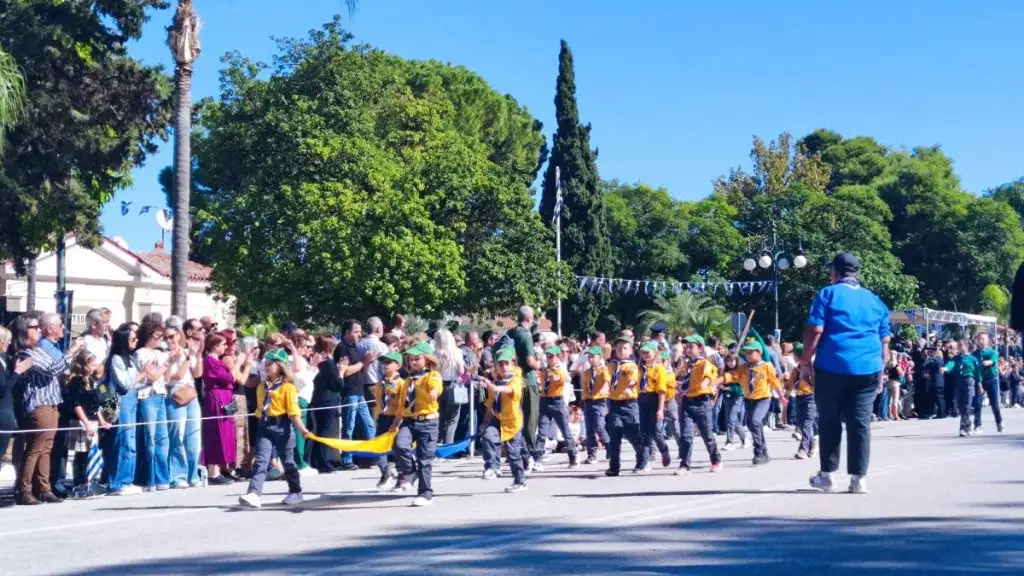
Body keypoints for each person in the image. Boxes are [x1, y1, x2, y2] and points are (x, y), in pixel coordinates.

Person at [802, 252, 891, 495]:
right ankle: (858, 479)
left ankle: (827, 476)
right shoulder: (875, 300)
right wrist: (881, 373)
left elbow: (816, 330)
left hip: (832, 366)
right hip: (868, 369)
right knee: (860, 423)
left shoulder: (827, 294)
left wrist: (804, 364)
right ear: (856, 273)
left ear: (836, 272)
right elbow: (885, 344)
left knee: (830, 421)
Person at [13, 312, 83, 505]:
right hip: (39, 405)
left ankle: (43, 488)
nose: (38, 331)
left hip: (52, 403)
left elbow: (57, 365)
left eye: (38, 327)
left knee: (46, 448)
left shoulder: (39, 349)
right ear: (24, 331)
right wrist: (73, 350)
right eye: (34, 328)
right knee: (35, 448)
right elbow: (53, 368)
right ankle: (24, 489)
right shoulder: (26, 353)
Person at [238, 348, 309, 509]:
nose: (266, 366)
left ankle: (296, 491)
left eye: (270, 364)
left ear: (280, 366)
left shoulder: (288, 387)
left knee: (288, 461)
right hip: (265, 425)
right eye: (265, 363)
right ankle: (254, 493)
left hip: (282, 425)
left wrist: (302, 429)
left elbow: (293, 412)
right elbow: (259, 409)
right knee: (261, 461)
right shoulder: (262, 387)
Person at [392, 341, 442, 507]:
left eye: (417, 359)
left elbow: (435, 390)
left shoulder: (432, 376)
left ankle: (425, 493)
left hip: (428, 421)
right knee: (400, 444)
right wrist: (395, 424)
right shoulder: (408, 381)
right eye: (410, 359)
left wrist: (433, 393)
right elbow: (402, 404)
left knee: (425, 459)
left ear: (426, 360)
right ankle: (410, 472)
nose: (413, 362)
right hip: (409, 420)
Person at [202, 333, 255, 485]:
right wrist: (238, 363)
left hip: (226, 396)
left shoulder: (217, 361)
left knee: (226, 433)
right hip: (217, 398)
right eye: (223, 344)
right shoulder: (209, 360)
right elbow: (228, 378)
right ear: (214, 345)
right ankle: (213, 471)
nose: (226, 347)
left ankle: (221, 468)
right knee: (216, 433)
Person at [480, 347, 528, 492]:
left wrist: (496, 388)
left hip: (512, 421)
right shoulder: (494, 382)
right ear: (496, 365)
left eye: (507, 363)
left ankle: (520, 481)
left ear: (512, 364)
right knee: (488, 436)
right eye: (500, 364)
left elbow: (510, 390)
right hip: (497, 418)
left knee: (513, 454)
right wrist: (486, 420)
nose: (504, 367)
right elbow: (490, 403)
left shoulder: (515, 380)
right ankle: (492, 467)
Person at [134, 313, 172, 491]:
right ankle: (148, 479)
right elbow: (151, 377)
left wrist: (170, 363)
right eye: (157, 335)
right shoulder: (140, 353)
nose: (160, 339)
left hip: (161, 395)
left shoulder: (159, 353)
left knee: (163, 439)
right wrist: (166, 364)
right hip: (147, 397)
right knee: (150, 439)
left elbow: (167, 378)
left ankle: (162, 478)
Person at [676, 335, 723, 475]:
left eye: (692, 347)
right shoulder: (686, 364)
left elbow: (708, 376)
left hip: (701, 402)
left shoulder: (704, 364)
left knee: (707, 435)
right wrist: (677, 386)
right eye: (687, 347)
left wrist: (705, 383)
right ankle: (685, 464)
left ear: (700, 348)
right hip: (687, 402)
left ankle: (716, 460)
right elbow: (679, 378)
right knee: (686, 435)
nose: (688, 349)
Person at [335, 320, 377, 471]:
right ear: (347, 332)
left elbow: (361, 370)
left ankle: (375, 455)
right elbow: (345, 371)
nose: (359, 334)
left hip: (359, 391)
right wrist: (363, 362)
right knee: (349, 427)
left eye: (360, 331)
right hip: (349, 392)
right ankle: (346, 459)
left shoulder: (355, 347)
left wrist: (368, 362)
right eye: (356, 331)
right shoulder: (341, 348)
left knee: (369, 424)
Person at [164, 324, 202, 489]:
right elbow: (176, 375)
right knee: (177, 437)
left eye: (171, 336)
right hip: (175, 397)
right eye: (165, 337)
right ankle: (178, 475)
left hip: (191, 395)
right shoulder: (165, 355)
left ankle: (193, 475)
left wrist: (197, 354)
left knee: (193, 437)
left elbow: (198, 374)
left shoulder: (187, 352)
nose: (169, 340)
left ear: (179, 335)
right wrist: (187, 359)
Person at [68, 351, 110, 498]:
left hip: (93, 421)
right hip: (81, 421)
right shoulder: (76, 382)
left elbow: (95, 404)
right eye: (91, 365)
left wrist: (101, 420)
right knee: (81, 455)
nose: (94, 367)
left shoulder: (91, 381)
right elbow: (77, 404)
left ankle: (89, 482)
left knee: (90, 454)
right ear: (83, 365)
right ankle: (79, 485)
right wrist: (85, 423)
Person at [604, 336, 647, 477]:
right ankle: (614, 467)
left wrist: (629, 387)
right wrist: (604, 389)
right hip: (615, 404)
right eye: (619, 348)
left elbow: (633, 380)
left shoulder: (632, 366)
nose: (621, 350)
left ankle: (642, 459)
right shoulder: (611, 365)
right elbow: (606, 379)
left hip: (630, 405)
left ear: (630, 351)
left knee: (634, 435)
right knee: (615, 436)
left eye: (625, 348)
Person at [532, 345, 578, 470]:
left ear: (558, 357)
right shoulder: (545, 370)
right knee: (542, 432)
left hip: (557, 402)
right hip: (545, 401)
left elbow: (559, 378)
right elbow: (541, 383)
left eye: (552, 356)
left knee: (565, 432)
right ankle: (538, 459)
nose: (549, 359)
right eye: (547, 356)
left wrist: (547, 375)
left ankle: (573, 456)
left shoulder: (560, 369)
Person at [508, 306, 541, 471]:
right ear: (529, 318)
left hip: (514, 380)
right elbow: (530, 361)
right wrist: (539, 364)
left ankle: (516, 452)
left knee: (516, 418)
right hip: (528, 381)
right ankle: (529, 454)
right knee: (530, 419)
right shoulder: (526, 335)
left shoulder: (512, 332)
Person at [740, 342, 780, 466]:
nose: (748, 355)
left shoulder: (767, 366)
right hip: (748, 399)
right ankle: (764, 451)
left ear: (759, 353)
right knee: (752, 425)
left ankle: (758, 452)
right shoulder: (745, 367)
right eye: (746, 353)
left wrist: (782, 396)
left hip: (763, 399)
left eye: (751, 352)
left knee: (756, 421)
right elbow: (733, 375)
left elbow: (774, 381)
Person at [371, 351, 406, 490]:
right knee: (378, 448)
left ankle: (402, 477)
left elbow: (402, 404)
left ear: (397, 366)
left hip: (396, 418)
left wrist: (398, 420)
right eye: (383, 362)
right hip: (383, 418)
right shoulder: (380, 383)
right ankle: (386, 473)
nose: (384, 365)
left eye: (388, 362)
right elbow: (379, 402)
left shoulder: (401, 383)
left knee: (398, 449)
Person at [310, 334, 344, 473]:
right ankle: (325, 462)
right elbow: (337, 384)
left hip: (319, 399)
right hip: (329, 400)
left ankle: (320, 461)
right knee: (327, 432)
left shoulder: (317, 359)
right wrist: (341, 370)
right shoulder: (328, 362)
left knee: (321, 430)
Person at [1, 326, 31, 480]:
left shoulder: (5, 358)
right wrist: (17, 373)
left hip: (8, 414)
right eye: (6, 340)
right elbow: (3, 389)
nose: (9, 343)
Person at [637, 341, 672, 470]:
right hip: (642, 399)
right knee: (644, 433)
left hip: (655, 399)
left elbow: (662, 391)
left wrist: (661, 409)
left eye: (648, 352)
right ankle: (644, 461)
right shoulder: (640, 369)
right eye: (643, 352)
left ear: (655, 354)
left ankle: (664, 449)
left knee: (656, 432)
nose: (645, 354)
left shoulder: (660, 369)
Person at [434, 328, 466, 445]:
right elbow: (461, 371)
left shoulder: (434, 354)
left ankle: (439, 443)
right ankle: (449, 445)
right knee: (453, 418)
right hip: (453, 386)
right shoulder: (457, 352)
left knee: (440, 417)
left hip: (437, 386)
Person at [580, 346, 610, 465]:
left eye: (593, 356)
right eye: (589, 357)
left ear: (600, 357)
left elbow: (606, 381)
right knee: (589, 430)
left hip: (600, 401)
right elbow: (585, 387)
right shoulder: (587, 372)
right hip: (589, 402)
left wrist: (604, 386)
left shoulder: (604, 370)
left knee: (599, 426)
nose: (591, 359)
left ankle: (609, 446)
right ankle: (591, 455)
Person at [944, 340, 981, 437]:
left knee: (967, 406)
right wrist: (946, 368)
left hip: (969, 382)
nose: (959, 348)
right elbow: (950, 364)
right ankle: (968, 424)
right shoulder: (956, 358)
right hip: (958, 382)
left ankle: (963, 428)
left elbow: (977, 373)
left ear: (966, 346)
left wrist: (980, 385)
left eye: (961, 346)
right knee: (960, 406)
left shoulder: (972, 359)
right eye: (958, 346)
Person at [788, 343, 817, 459]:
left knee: (806, 424)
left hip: (811, 397)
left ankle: (803, 449)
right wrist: (785, 390)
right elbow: (790, 384)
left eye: (795, 354)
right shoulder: (796, 369)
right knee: (800, 423)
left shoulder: (813, 368)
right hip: (799, 397)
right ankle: (812, 445)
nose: (793, 357)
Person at [973, 333, 1003, 433]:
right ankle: (978, 425)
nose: (981, 341)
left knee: (994, 403)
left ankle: (999, 422)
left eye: (983, 339)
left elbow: (994, 360)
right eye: (979, 339)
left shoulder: (991, 352)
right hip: (980, 380)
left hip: (991, 379)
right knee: (977, 403)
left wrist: (988, 362)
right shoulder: (975, 354)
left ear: (987, 341)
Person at [719, 353, 746, 450]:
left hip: (737, 397)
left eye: (732, 361)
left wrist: (728, 388)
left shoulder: (740, 371)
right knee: (732, 420)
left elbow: (741, 387)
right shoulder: (724, 371)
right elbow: (720, 382)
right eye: (728, 361)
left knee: (731, 418)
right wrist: (721, 387)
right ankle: (744, 438)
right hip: (726, 397)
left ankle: (730, 442)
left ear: (736, 361)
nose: (730, 363)